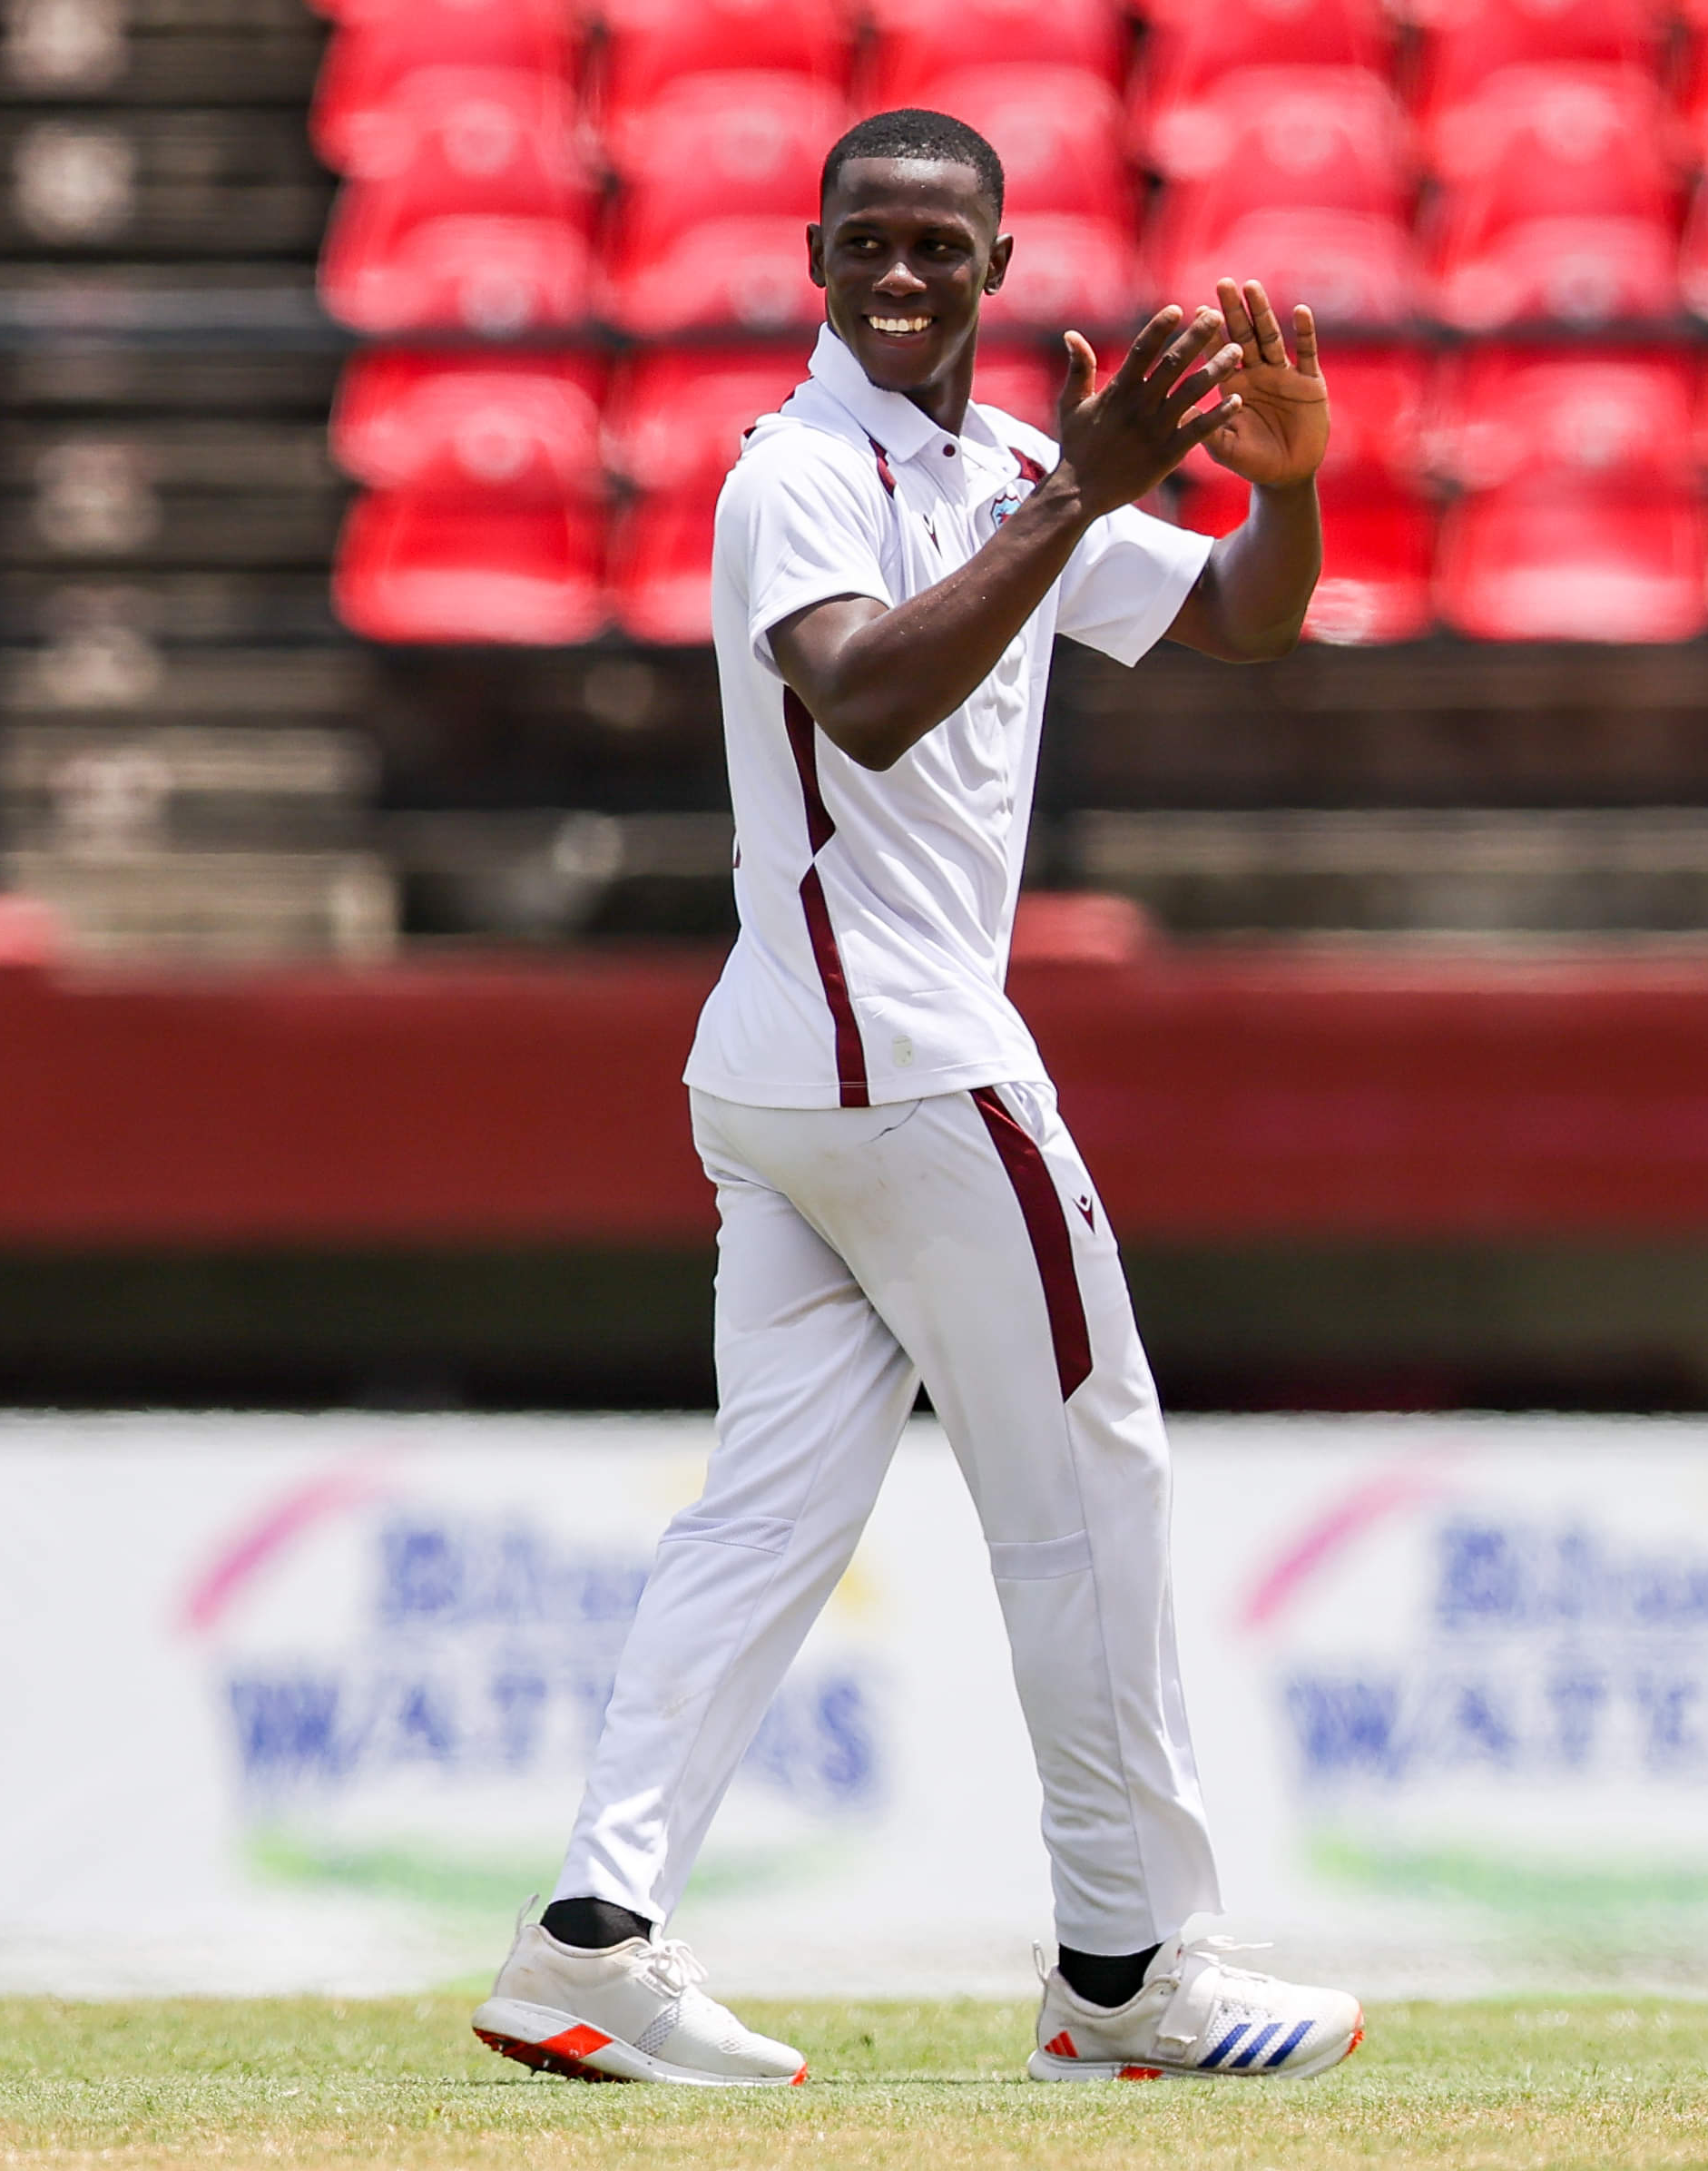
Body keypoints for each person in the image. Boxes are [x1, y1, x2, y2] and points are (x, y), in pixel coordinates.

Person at [470, 108, 1362, 2087]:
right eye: (867, 242)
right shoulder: (796, 469)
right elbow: (863, 693)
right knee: (1092, 1482)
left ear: (998, 265)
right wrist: (1077, 501)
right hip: (910, 1063)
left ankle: (590, 1937)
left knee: (767, 1519)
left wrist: (1282, 494)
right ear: (811, 256)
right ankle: (1133, 1966)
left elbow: (1239, 614)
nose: (899, 275)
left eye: (937, 249)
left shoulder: (1014, 463)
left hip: (801, 1075)